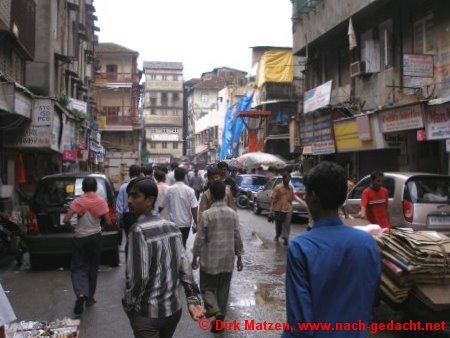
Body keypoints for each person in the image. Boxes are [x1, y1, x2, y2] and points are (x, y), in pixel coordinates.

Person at [283, 162, 381, 337]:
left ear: (312, 196)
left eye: (306, 193)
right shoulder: (367, 243)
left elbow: (299, 325)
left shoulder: (301, 248)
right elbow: (371, 300)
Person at [123, 178, 204, 338]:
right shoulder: (172, 227)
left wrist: (129, 305)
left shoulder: (138, 231)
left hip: (148, 315)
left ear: (150, 200)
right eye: (129, 196)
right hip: (173, 311)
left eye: (135, 196)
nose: (130, 201)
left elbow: (139, 277)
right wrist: (192, 299)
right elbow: (184, 266)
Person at [191, 181, 243, 333]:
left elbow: (200, 238)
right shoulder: (233, 214)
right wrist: (239, 257)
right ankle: (218, 322)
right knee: (223, 292)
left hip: (209, 260)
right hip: (228, 260)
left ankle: (213, 309)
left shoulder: (206, 215)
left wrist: (195, 256)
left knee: (206, 287)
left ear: (211, 195)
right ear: (225, 195)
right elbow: (237, 237)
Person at [63, 177, 112, 315]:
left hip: (80, 238)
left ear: (83, 188)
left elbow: (66, 219)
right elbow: (108, 221)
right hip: (95, 237)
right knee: (93, 266)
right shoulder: (100, 201)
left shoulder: (78, 201)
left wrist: (72, 227)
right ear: (95, 188)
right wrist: (101, 228)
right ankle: (90, 297)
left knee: (78, 267)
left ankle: (80, 294)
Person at [159, 168, 198, 247]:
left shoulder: (169, 190)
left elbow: (161, 206)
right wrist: (196, 223)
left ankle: (176, 257)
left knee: (173, 245)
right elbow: (194, 208)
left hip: (173, 222)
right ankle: (182, 256)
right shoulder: (190, 190)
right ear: (184, 177)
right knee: (183, 242)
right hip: (186, 222)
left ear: (175, 176)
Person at [116, 164, 141, 236]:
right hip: (140, 216)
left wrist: (119, 221)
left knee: (129, 238)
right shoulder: (142, 185)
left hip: (127, 217)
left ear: (129, 174)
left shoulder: (123, 187)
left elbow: (119, 205)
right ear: (139, 174)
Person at [270, 171, 294, 245]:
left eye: (289, 180)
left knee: (287, 224)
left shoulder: (290, 188)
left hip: (288, 208)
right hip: (278, 209)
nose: (288, 181)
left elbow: (291, 198)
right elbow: (273, 198)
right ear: (283, 179)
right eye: (287, 179)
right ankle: (278, 235)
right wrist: (271, 208)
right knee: (279, 224)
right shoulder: (278, 187)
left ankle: (286, 238)